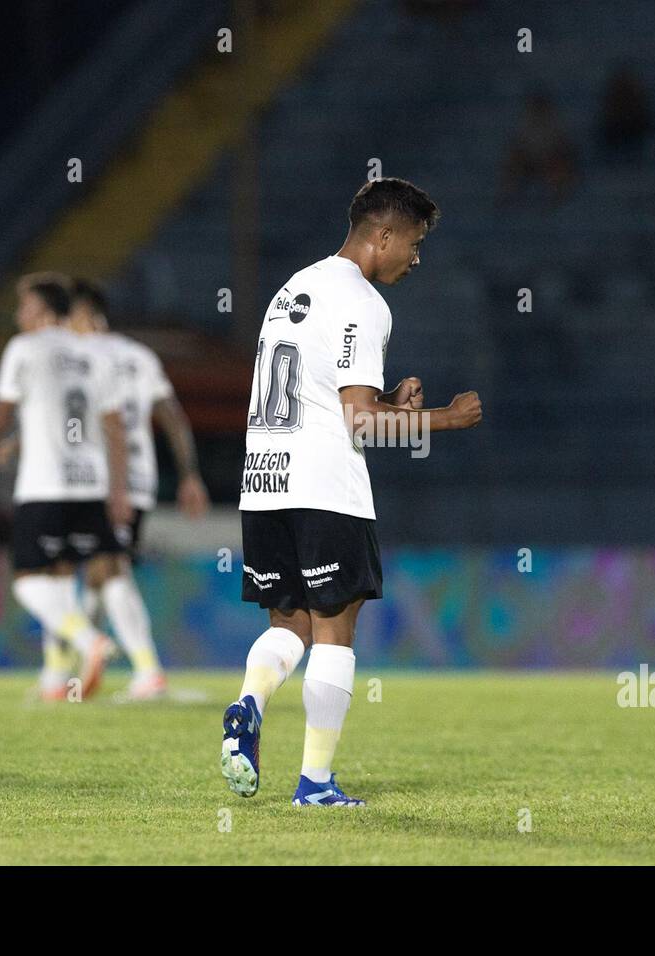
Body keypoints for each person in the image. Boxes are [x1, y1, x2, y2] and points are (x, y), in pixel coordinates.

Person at [222, 178, 482, 806]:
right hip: (326, 486)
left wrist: (389, 400)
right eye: (413, 243)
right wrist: (445, 417)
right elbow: (359, 423)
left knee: (290, 622)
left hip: (264, 481)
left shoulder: (293, 288)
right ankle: (315, 783)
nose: (415, 259)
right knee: (334, 632)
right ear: (383, 235)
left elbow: (327, 393)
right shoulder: (362, 302)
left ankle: (247, 706)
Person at [0, 273, 130, 701]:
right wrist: (119, 490)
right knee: (61, 578)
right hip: (89, 484)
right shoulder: (94, 353)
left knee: (27, 579)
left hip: (44, 483)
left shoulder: (24, 348)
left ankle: (87, 641)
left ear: (40, 311)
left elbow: (3, 411)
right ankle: (57, 678)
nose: (19, 315)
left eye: (24, 307)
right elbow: (114, 426)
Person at [65, 278, 210, 699]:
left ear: (87, 316)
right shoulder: (139, 356)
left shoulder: (76, 356)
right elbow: (172, 416)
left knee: (108, 565)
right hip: (137, 479)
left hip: (101, 479)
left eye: (66, 316)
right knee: (97, 571)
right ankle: (78, 672)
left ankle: (147, 672)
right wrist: (189, 474)